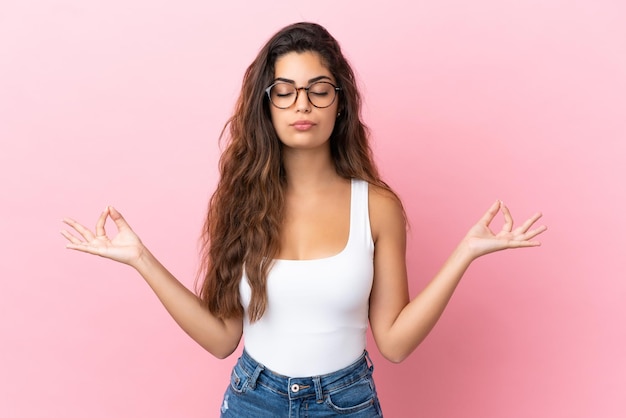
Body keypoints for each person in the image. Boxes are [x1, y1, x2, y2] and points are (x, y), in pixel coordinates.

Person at [61, 22, 546, 417]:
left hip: (347, 401)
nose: (302, 105)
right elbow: (222, 339)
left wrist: (466, 253)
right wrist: (140, 260)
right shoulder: (241, 202)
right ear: (266, 105)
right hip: (253, 399)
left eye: (318, 90)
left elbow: (394, 344)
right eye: (286, 91)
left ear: (341, 103)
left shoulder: (377, 206)